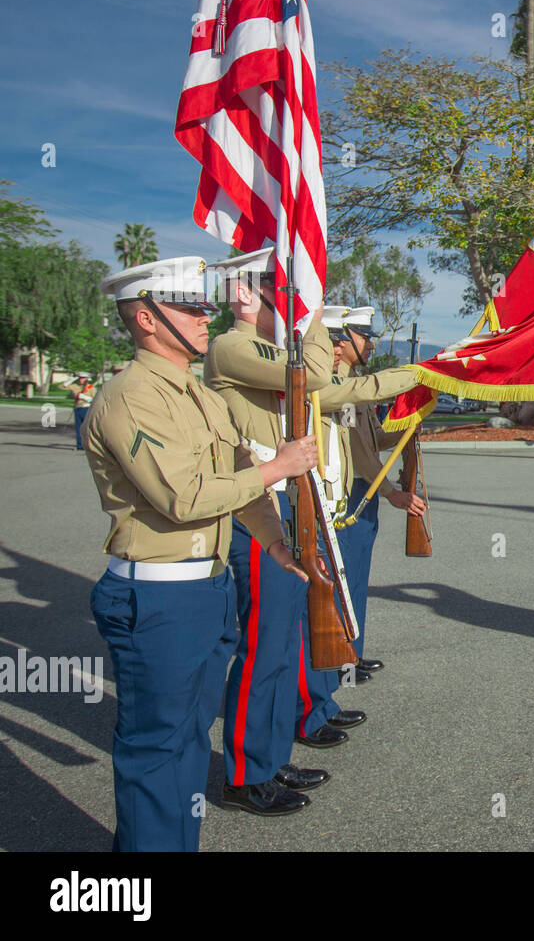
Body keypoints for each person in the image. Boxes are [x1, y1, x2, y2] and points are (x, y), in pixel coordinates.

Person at [84, 256, 320, 849]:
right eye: (188, 308)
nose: (203, 318)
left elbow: (238, 476)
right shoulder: (130, 395)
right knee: (156, 749)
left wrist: (274, 541)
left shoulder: (198, 394)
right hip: (157, 593)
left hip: (206, 587)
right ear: (145, 317)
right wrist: (278, 466)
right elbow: (183, 497)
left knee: (189, 741)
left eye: (202, 307)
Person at [204, 248, 351, 814]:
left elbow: (313, 385)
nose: (286, 297)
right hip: (255, 502)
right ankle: (244, 774)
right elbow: (314, 374)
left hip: (281, 499)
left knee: (284, 642)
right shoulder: (232, 344)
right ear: (244, 294)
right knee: (263, 646)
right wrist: (312, 311)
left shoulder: (268, 349)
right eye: (274, 286)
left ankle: (268, 753)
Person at [332, 306, 427, 676]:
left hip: (363, 492)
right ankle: (339, 658)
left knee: (356, 580)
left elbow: (372, 441)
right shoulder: (341, 387)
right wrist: (390, 492)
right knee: (345, 578)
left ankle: (351, 654)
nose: (370, 344)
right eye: (363, 336)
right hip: (354, 493)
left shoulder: (355, 382)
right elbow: (358, 453)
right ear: (341, 340)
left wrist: (409, 425)